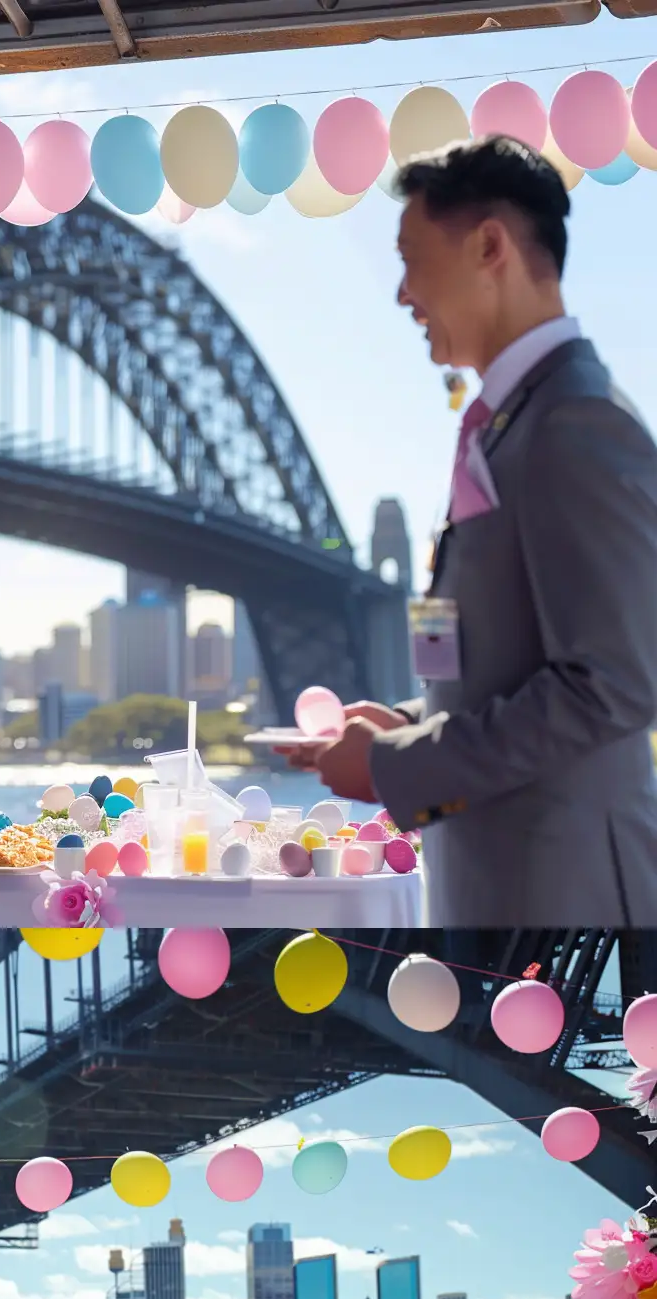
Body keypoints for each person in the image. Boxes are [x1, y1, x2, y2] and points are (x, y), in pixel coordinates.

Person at [280, 135, 657, 925]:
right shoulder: (520, 422)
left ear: (490, 247)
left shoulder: (575, 422)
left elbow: (612, 686)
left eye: (412, 258)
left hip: (568, 909)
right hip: (518, 897)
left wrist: (394, 768)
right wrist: (413, 724)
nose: (402, 294)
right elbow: (526, 668)